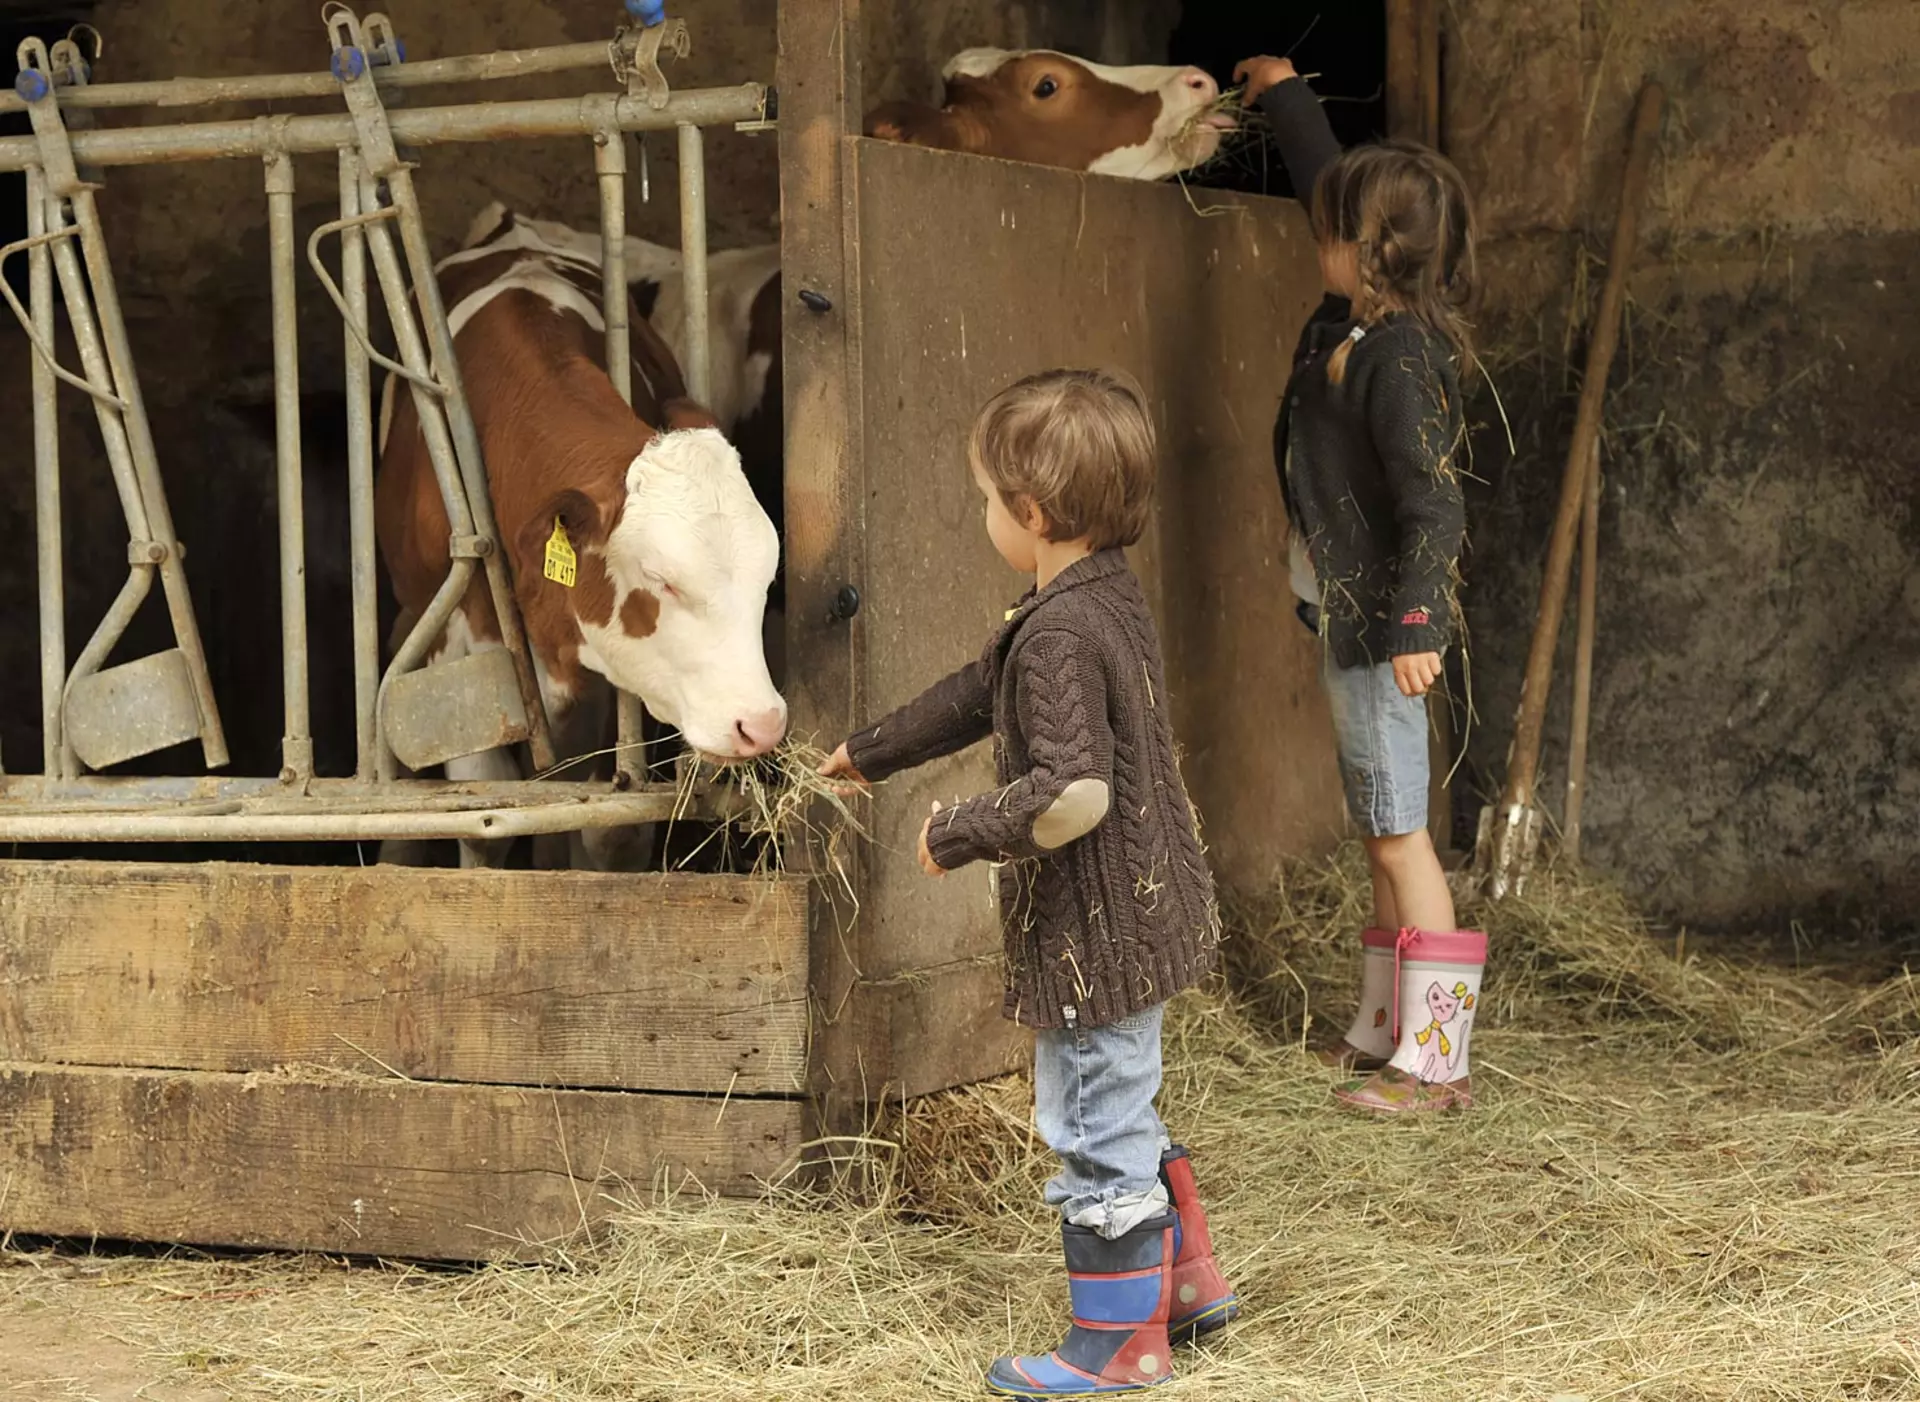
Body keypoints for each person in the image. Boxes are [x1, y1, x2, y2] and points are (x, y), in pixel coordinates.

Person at [819, 370, 1234, 1396]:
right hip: (1141, 914)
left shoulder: (1057, 630)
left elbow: (1074, 794)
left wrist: (960, 829)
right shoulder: (1096, 596)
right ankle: (1185, 1286)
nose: (983, 514)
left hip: (1097, 932)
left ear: (1034, 512)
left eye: (986, 498)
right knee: (1121, 1100)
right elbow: (981, 690)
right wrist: (872, 751)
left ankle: (1118, 1344)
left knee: (1093, 1119)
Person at [1234, 54, 1489, 1114]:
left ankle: (1435, 1063)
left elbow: (1436, 504)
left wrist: (1420, 622)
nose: (1314, 237)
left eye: (1332, 232)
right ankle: (1386, 1028)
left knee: (1399, 833)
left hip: (1389, 631)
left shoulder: (1400, 363)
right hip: (1350, 619)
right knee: (1380, 826)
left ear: (1370, 254)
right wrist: (1289, 99)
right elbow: (1330, 181)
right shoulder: (1355, 323)